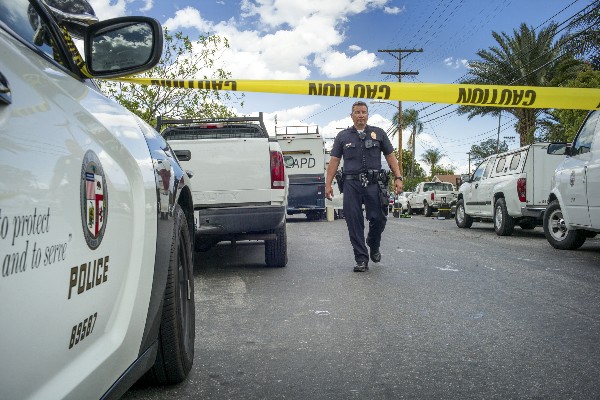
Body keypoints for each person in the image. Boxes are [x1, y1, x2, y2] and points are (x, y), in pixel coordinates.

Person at [325, 101, 403, 272]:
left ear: (368, 115)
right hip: (351, 183)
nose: (360, 115)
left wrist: (398, 177)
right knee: (354, 221)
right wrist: (328, 184)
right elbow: (335, 161)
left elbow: (390, 156)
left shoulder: (379, 133)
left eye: (363, 112)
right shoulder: (343, 136)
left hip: (374, 183)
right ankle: (361, 259)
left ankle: (373, 243)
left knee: (379, 218)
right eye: (357, 112)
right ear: (351, 115)